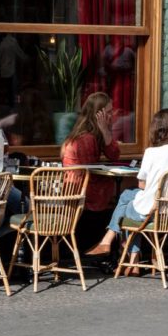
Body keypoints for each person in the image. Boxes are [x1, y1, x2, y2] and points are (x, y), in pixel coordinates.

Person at [84, 109, 168, 260]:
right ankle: (131, 255)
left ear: (156, 129)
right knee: (129, 197)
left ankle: (117, 246)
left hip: (151, 213)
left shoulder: (151, 153)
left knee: (127, 203)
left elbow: (142, 185)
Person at [60, 93, 121, 249]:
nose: (111, 115)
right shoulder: (86, 138)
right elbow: (88, 169)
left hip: (82, 185)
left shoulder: (95, 134)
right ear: (97, 114)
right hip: (78, 188)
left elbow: (114, 154)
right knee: (119, 192)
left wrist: (105, 131)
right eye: (108, 112)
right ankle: (107, 243)